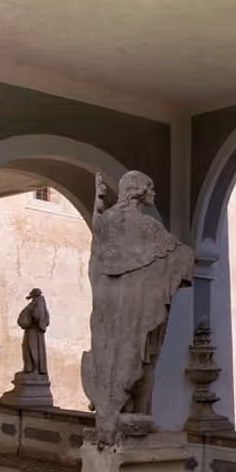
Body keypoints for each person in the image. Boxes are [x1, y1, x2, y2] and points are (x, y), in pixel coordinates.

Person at [82, 171, 194, 442]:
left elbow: (97, 257)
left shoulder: (106, 222)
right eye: (151, 187)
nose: (154, 193)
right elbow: (180, 256)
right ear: (140, 191)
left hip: (108, 310)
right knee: (143, 358)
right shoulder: (149, 227)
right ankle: (140, 413)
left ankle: (114, 411)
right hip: (137, 309)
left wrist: (98, 208)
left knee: (116, 356)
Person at [17, 288, 49, 375]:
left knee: (33, 349)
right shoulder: (35, 303)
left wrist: (31, 311)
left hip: (35, 330)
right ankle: (29, 367)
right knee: (27, 348)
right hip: (30, 330)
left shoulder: (39, 303)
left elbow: (39, 316)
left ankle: (35, 368)